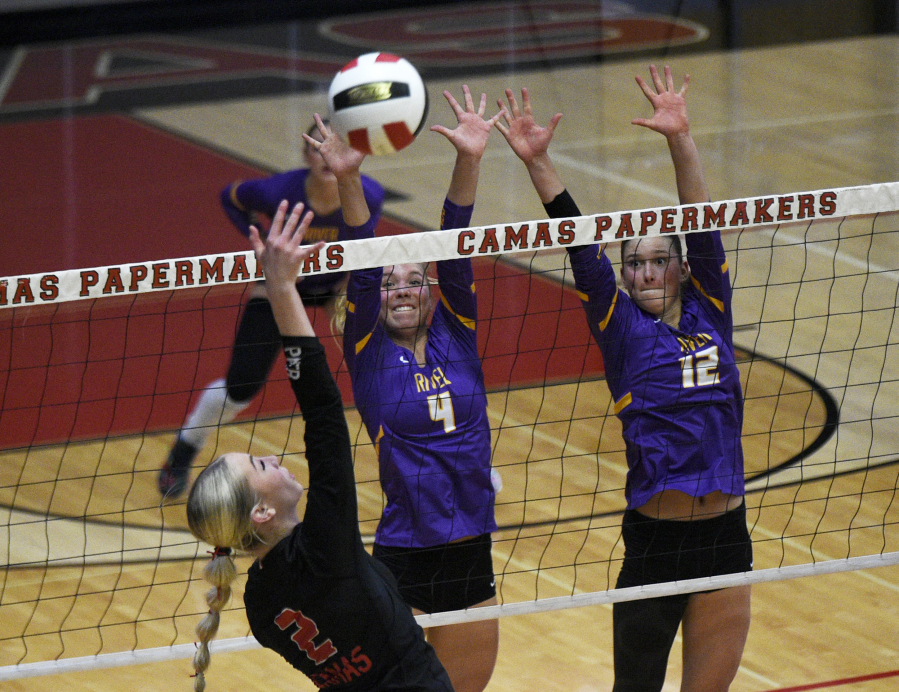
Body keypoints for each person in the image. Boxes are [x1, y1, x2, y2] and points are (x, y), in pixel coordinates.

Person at [496, 66, 752, 692]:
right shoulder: (620, 327)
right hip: (655, 544)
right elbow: (581, 246)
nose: (643, 274)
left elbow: (700, 216)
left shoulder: (710, 307)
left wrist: (680, 139)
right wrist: (538, 164)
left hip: (727, 540)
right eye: (632, 264)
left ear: (683, 269)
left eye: (657, 261)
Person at [185, 198, 453, 692]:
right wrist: (282, 289)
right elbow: (324, 416)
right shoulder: (324, 548)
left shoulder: (260, 605)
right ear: (261, 513)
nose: (279, 460)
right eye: (263, 464)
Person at [321, 87, 503, 692]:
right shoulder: (369, 354)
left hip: (473, 550)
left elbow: (454, 236)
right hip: (404, 558)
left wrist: (470, 157)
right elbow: (364, 262)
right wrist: (351, 180)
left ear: (432, 291)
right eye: (391, 283)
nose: (401, 289)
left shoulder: (461, 334)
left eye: (414, 280)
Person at [158, 120, 385, 498]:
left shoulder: (370, 194)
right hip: (280, 286)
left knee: (381, 362)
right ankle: (184, 449)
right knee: (239, 391)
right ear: (306, 154)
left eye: (337, 146)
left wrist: (349, 284)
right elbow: (230, 197)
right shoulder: (278, 191)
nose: (328, 155)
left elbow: (361, 243)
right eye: (318, 147)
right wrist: (259, 241)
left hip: (333, 288)